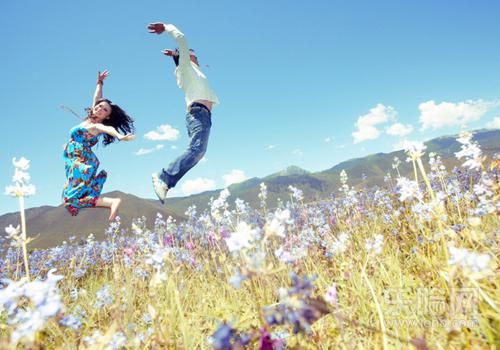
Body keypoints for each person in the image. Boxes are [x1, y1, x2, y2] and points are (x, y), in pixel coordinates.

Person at [147, 21, 220, 204]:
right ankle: (164, 177)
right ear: (187, 57)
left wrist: (175, 55)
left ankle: (166, 179)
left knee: (198, 151)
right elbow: (182, 40)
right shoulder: (186, 67)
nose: (195, 54)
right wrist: (166, 27)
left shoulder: (195, 71)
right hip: (198, 113)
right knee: (197, 150)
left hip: (203, 116)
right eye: (191, 53)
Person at [62, 70, 135, 221]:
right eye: (99, 106)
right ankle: (111, 202)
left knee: (72, 196)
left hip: (82, 161)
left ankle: (112, 202)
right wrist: (100, 82)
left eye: (105, 109)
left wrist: (120, 136)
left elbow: (108, 129)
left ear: (107, 116)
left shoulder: (97, 126)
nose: (100, 108)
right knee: (71, 199)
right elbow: (96, 98)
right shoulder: (89, 119)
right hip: (75, 160)